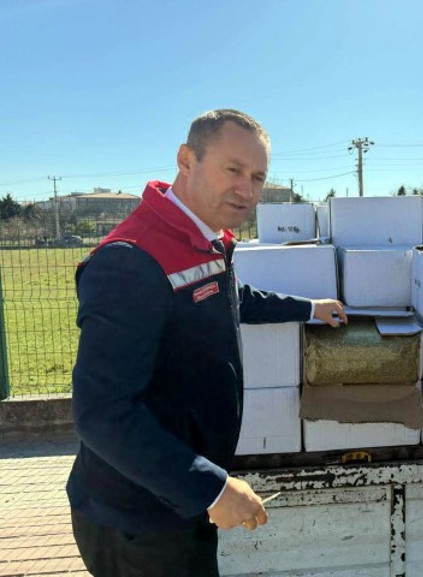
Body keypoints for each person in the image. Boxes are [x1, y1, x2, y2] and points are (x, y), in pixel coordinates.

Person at [67, 109, 347, 577]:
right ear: (186, 159)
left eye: (258, 176)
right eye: (233, 169)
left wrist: (307, 308)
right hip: (137, 517)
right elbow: (101, 413)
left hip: (174, 501)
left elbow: (228, 296)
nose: (248, 190)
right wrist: (209, 489)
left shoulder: (202, 239)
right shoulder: (130, 261)